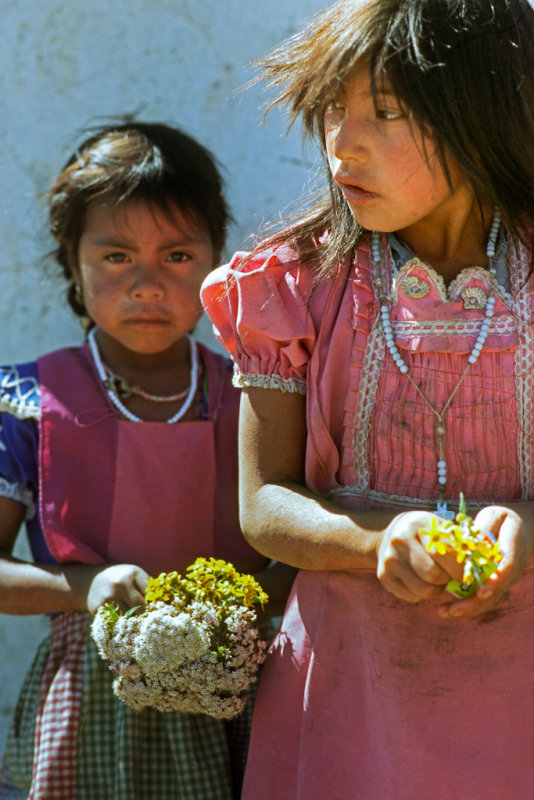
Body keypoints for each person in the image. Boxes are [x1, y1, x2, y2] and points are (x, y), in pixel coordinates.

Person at [201, 1, 534, 798]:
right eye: (331, 112)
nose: (343, 144)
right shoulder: (289, 285)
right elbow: (264, 503)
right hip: (350, 694)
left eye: (387, 113)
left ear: (485, 113)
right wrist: (378, 540)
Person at [0, 121, 291, 800]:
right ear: (72, 262)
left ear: (219, 261)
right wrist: (87, 587)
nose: (148, 284)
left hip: (233, 686)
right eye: (116, 256)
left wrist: (234, 609)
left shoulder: (256, 394)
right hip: (90, 703)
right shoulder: (26, 403)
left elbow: (294, 557)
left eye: (179, 256)